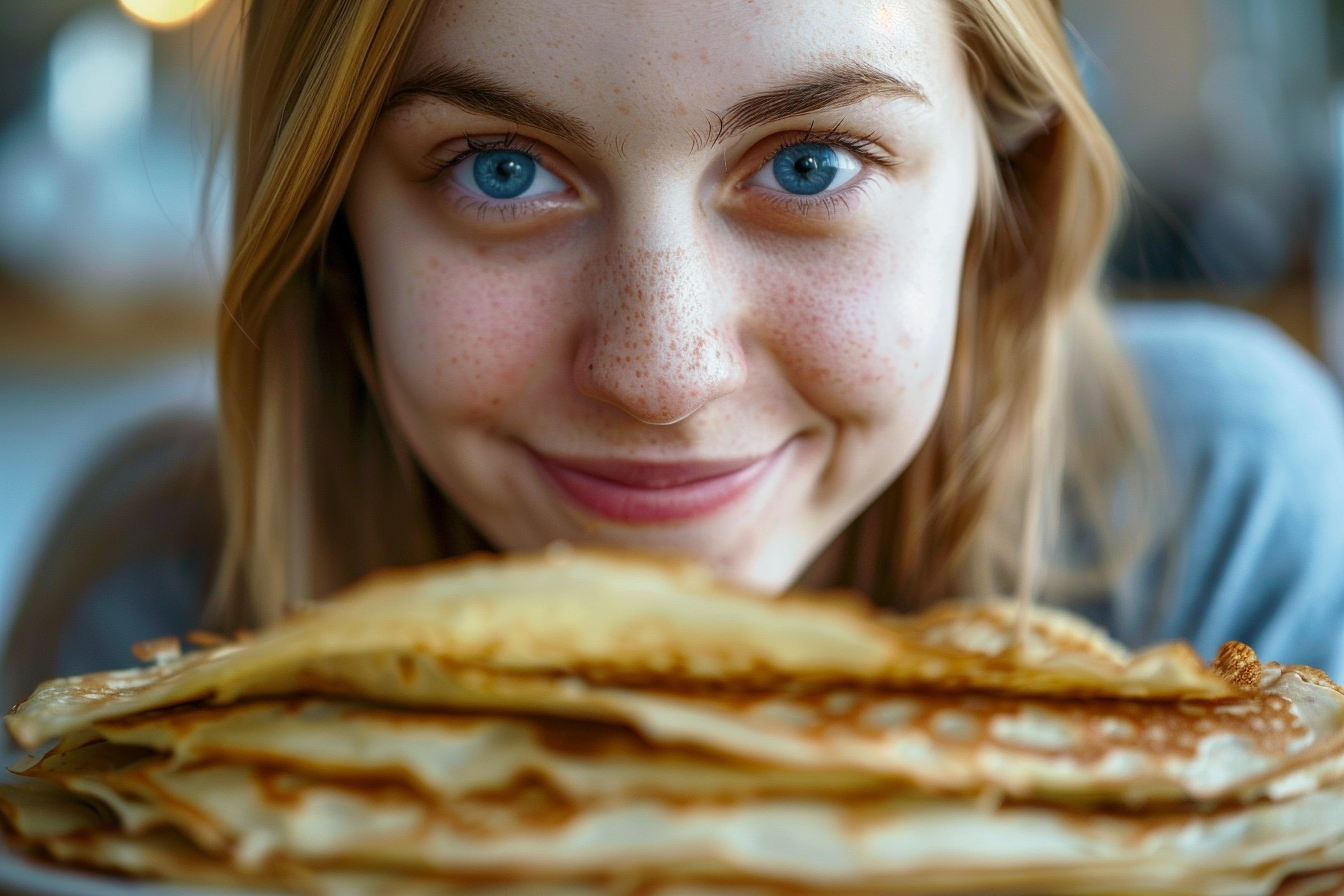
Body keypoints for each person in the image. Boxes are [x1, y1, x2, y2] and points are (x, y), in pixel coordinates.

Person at [7, 0, 1344, 704]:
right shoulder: (153, 621)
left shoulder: (1217, 525)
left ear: (1004, 193)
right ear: (333, 224)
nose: (661, 373)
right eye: (500, 168)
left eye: (811, 164)